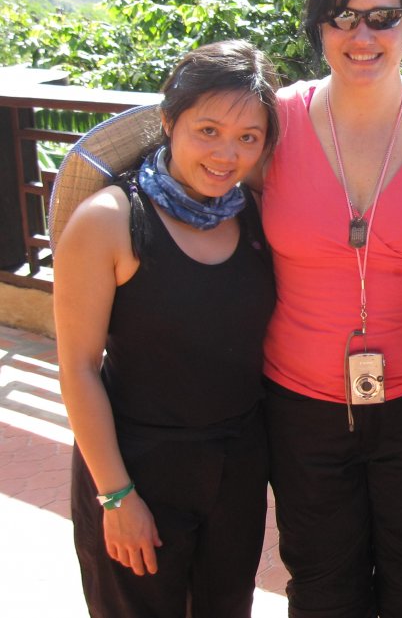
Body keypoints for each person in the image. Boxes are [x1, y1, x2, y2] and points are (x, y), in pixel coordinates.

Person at [258, 0, 402, 617]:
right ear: (320, 26)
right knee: (321, 582)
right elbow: (183, 151)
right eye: (343, 16)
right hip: (301, 401)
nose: (363, 34)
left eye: (382, 16)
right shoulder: (274, 123)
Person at [52, 40, 280, 618]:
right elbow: (78, 367)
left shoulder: (253, 215)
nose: (226, 154)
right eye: (208, 130)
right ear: (168, 121)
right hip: (140, 467)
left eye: (247, 138)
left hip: (235, 469)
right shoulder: (110, 221)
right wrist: (116, 494)